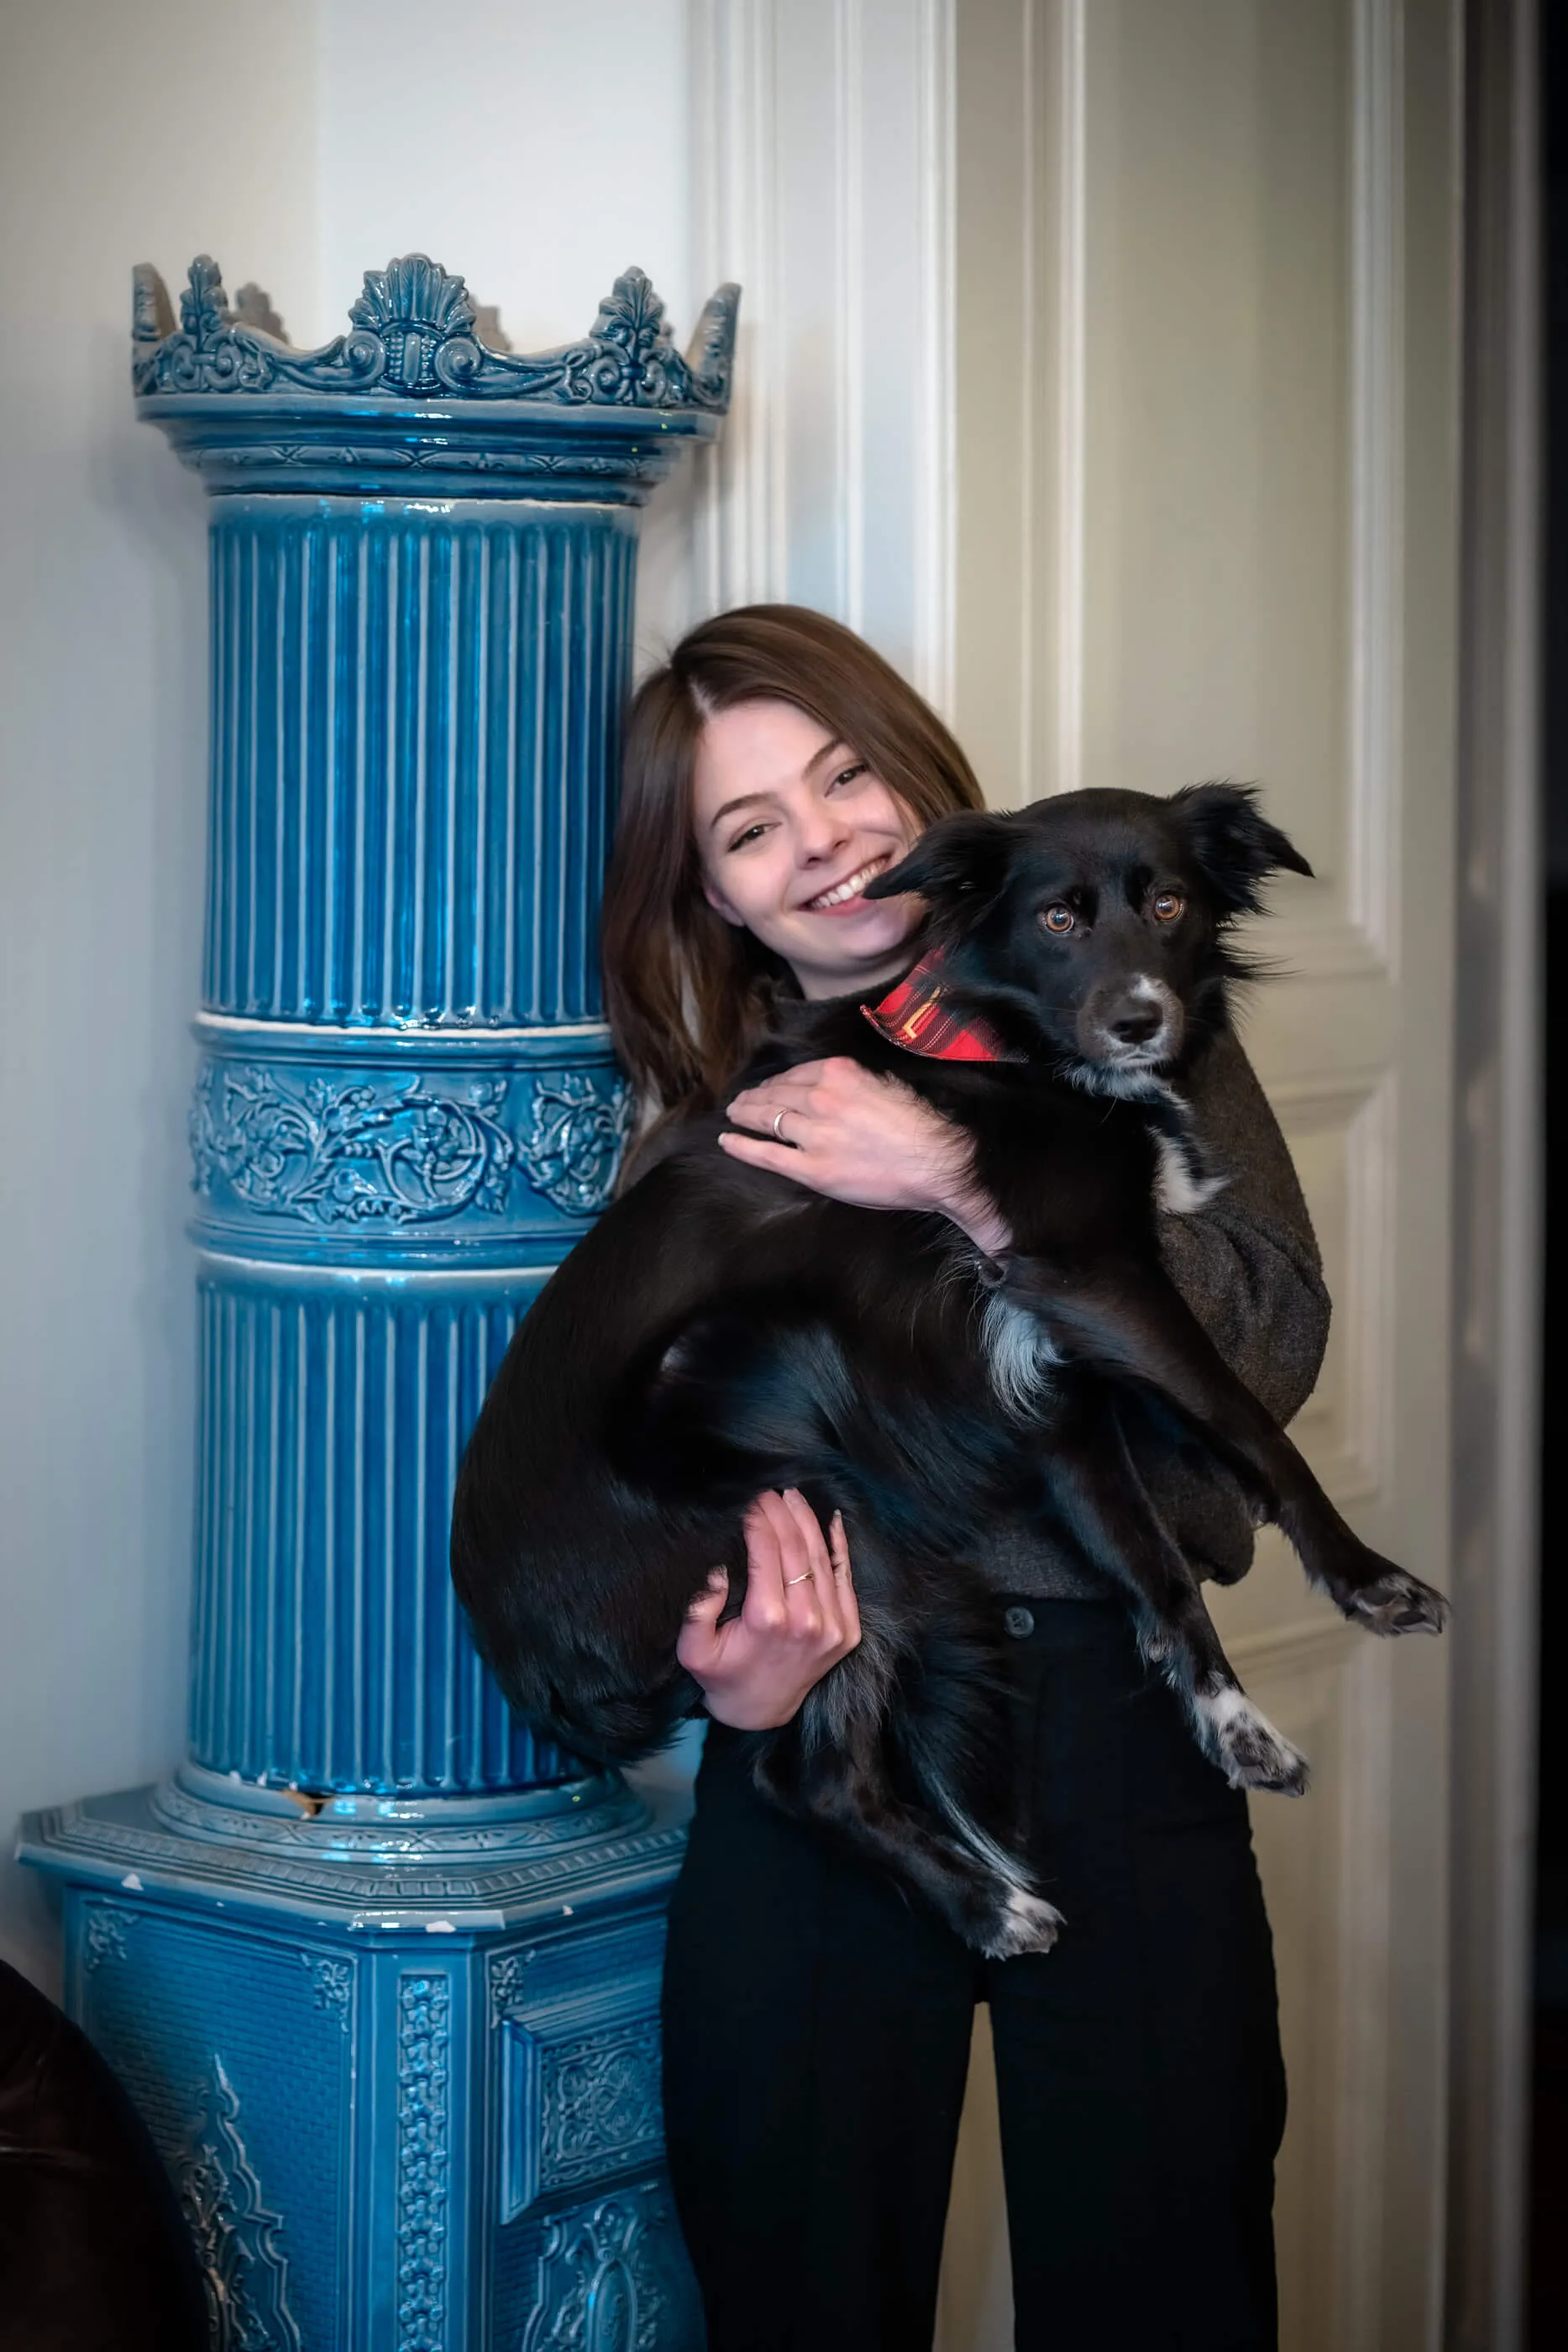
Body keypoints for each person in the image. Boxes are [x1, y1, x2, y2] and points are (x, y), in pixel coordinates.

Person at [600, 603, 1329, 2352]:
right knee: (802, 2282)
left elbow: (1273, 1347)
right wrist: (723, 1657)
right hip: (837, 1747)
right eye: (751, 826)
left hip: (1119, 1707)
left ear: (918, 774)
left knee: (1171, 2282)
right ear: (716, 896)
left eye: (846, 774)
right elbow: (636, 1485)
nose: (827, 839)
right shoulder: (710, 1132)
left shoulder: (1137, 1018)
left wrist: (955, 1172)